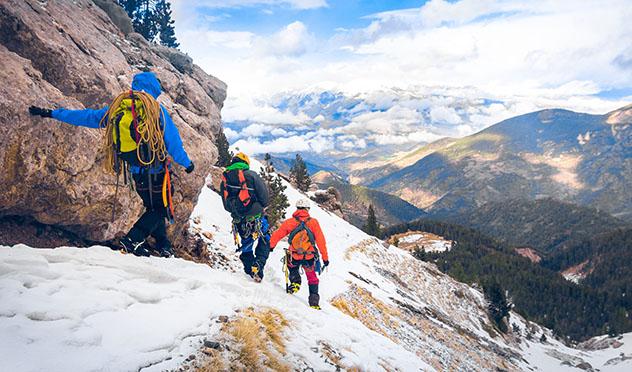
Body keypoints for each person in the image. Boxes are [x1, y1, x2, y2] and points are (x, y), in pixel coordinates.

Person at [28, 71, 194, 257]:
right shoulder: (156, 110)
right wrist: (187, 164)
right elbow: (173, 142)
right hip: (155, 171)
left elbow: (88, 117)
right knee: (160, 208)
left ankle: (163, 245)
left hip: (136, 172)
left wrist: (52, 113)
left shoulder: (119, 107)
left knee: (153, 207)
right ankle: (132, 240)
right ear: (155, 89)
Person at [220, 152, 271, 281]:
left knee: (247, 244)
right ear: (246, 163)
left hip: (239, 221)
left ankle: (250, 270)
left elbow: (226, 205)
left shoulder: (225, 179)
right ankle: (258, 264)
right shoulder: (252, 176)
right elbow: (265, 199)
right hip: (256, 218)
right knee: (265, 238)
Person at [270, 198, 329, 310]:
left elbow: (277, 234)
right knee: (312, 278)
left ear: (297, 209)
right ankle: (314, 302)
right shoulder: (313, 222)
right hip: (309, 256)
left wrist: (271, 246)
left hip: (294, 255)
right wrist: (325, 258)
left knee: (292, 267)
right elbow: (321, 241)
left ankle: (295, 282)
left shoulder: (290, 222)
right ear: (307, 209)